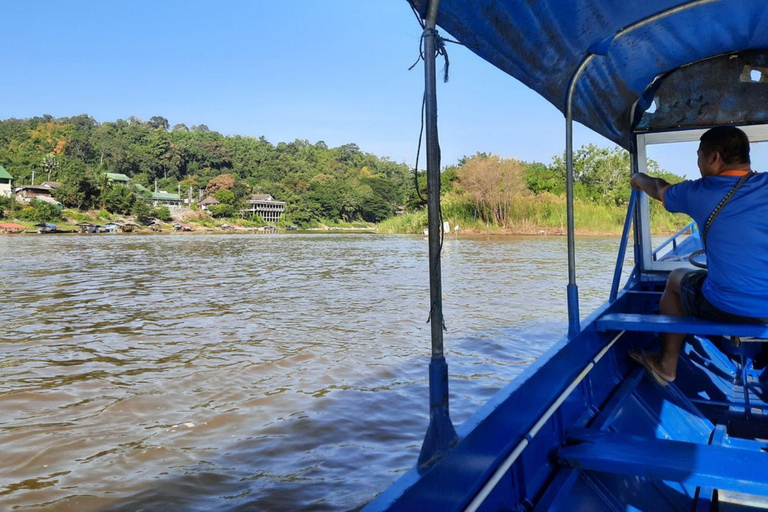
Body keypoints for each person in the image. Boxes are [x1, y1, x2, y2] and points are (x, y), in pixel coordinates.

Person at [629, 125, 768, 385]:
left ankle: (666, 364)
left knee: (675, 279)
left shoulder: (700, 191)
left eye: (699, 156)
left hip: (728, 307)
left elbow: (658, 188)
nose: (699, 164)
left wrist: (638, 177)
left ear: (714, 158)